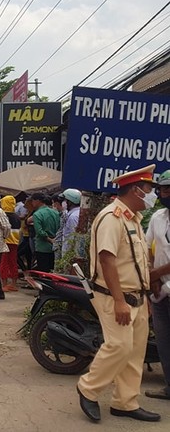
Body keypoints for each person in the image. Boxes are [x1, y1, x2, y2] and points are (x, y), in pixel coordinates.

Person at [76, 164, 160, 423]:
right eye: (149, 190)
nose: (152, 195)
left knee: (135, 351)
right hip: (115, 297)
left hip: (137, 296)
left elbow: (138, 263)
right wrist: (121, 300)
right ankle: (88, 388)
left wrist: (144, 297)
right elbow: (107, 260)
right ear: (136, 190)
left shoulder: (133, 218)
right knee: (119, 346)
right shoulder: (111, 217)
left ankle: (125, 402)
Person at [145, 169, 170, 401]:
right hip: (161, 293)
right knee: (163, 341)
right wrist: (153, 279)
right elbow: (148, 247)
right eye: (164, 189)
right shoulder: (158, 217)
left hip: (161, 283)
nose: (167, 192)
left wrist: (154, 274)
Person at [29, 192, 60, 272]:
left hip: (42, 247)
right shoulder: (56, 212)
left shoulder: (37, 214)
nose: (32, 203)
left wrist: (49, 239)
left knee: (43, 271)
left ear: (37, 201)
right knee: (52, 270)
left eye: (32, 201)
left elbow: (39, 231)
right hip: (55, 246)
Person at [0, 194, 21, 292]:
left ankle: (4, 284)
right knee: (13, 262)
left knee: (3, 263)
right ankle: (14, 284)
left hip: (5, 241)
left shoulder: (3, 215)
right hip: (15, 242)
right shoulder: (17, 216)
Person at [60, 188, 82, 259]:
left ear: (70, 202)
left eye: (65, 200)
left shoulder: (73, 216)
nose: (64, 203)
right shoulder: (75, 213)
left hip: (70, 254)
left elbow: (74, 237)